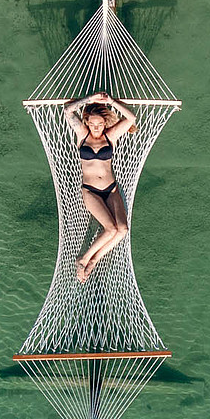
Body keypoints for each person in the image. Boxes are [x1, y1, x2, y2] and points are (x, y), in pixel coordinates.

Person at [63, 92, 138, 281]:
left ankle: (94, 259)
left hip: (111, 189)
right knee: (111, 229)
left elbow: (131, 119)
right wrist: (89, 100)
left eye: (100, 124)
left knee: (122, 230)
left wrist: (111, 101)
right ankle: (84, 259)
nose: (96, 128)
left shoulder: (110, 137)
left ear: (105, 123)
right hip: (91, 190)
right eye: (92, 124)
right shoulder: (82, 135)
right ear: (87, 123)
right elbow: (68, 110)